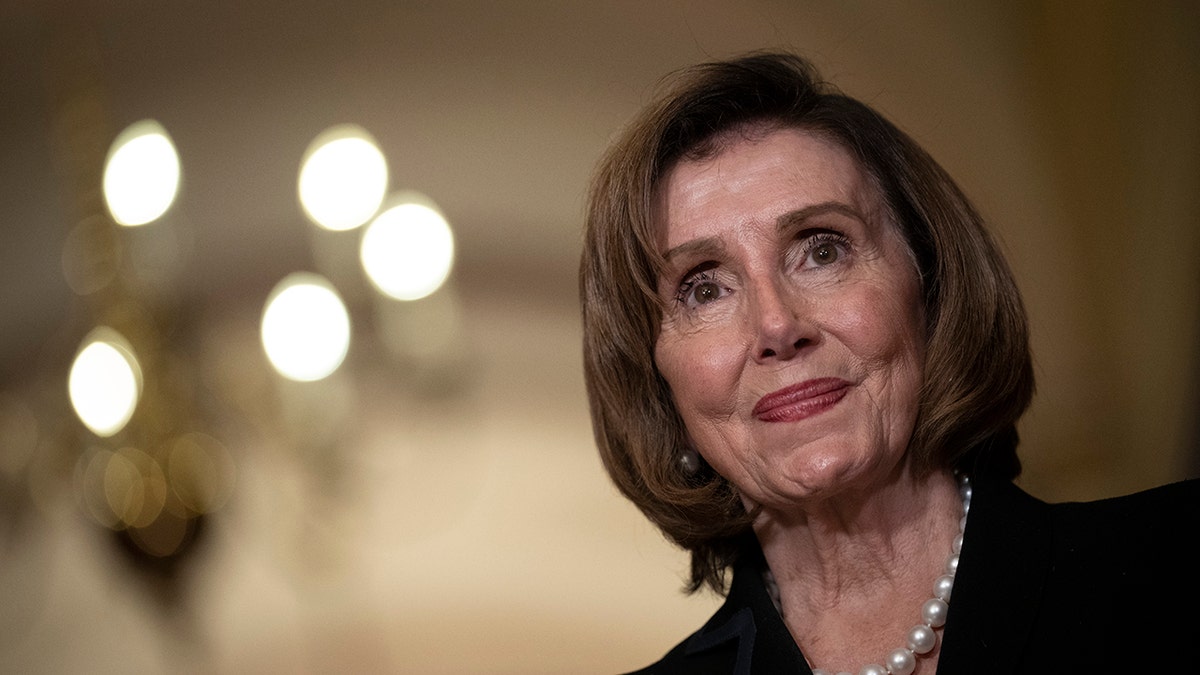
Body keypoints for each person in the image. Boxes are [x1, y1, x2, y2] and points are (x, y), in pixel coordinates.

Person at [579, 51, 1198, 675]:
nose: (777, 325)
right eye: (704, 288)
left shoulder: (1174, 563)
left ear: (928, 286)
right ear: (658, 382)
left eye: (822, 251)